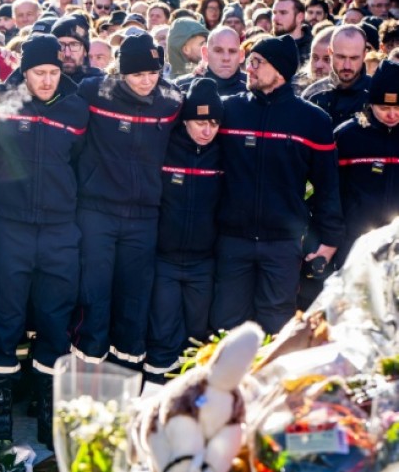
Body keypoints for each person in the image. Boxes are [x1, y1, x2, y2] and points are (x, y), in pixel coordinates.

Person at [0, 35, 87, 450]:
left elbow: (82, 161)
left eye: (53, 73)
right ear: (23, 71)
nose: (47, 81)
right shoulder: (1, 103)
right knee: (5, 322)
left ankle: (49, 415)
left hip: (60, 231)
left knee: (54, 324)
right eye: (38, 73)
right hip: (11, 227)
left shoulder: (77, 108)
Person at [211, 35, 344, 335]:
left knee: (277, 326)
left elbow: (327, 187)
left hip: (283, 246)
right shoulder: (228, 110)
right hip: (232, 240)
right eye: (249, 61)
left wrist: (330, 240)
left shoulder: (313, 120)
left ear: (280, 71)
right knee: (226, 326)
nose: (248, 68)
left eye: (257, 62)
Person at [73, 32, 183, 369]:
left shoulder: (171, 99)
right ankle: (89, 372)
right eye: (137, 74)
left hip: (144, 215)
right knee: (95, 296)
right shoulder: (94, 92)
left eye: (152, 73)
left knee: (134, 299)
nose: (146, 81)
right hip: (97, 212)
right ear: (121, 72)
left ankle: (126, 372)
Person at [143, 79, 223, 380]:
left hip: (203, 262)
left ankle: (190, 404)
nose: (207, 130)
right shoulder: (165, 149)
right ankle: (154, 399)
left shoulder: (222, 154)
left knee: (196, 336)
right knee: (162, 332)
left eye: (214, 123)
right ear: (185, 120)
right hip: (165, 259)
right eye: (200, 122)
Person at [334, 60, 399, 258]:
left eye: (397, 107)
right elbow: (327, 190)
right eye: (383, 107)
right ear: (370, 103)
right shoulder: (347, 136)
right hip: (356, 244)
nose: (391, 114)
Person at [302, 25, 372, 127]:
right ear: (330, 52)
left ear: (364, 55)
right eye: (341, 57)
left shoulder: (376, 94)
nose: (347, 65)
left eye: (354, 58)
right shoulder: (313, 94)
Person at [176, 26, 247, 96]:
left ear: (241, 55)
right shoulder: (182, 87)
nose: (226, 58)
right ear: (205, 54)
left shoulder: (252, 88)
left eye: (232, 51)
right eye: (218, 51)